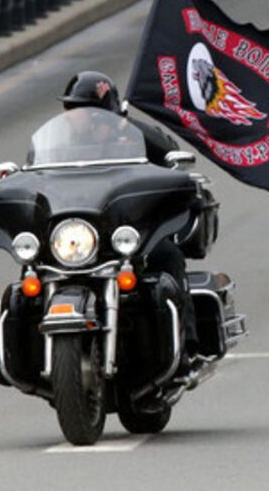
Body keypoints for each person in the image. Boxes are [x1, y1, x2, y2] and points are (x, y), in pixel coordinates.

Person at [57, 71, 202, 358]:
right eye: (69, 108)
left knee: (168, 257)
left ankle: (187, 345)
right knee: (31, 269)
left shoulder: (132, 136)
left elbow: (170, 151)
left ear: (100, 114)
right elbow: (34, 174)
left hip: (130, 232)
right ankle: (17, 351)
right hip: (80, 233)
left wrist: (125, 124)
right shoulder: (57, 143)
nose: (70, 115)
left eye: (78, 109)